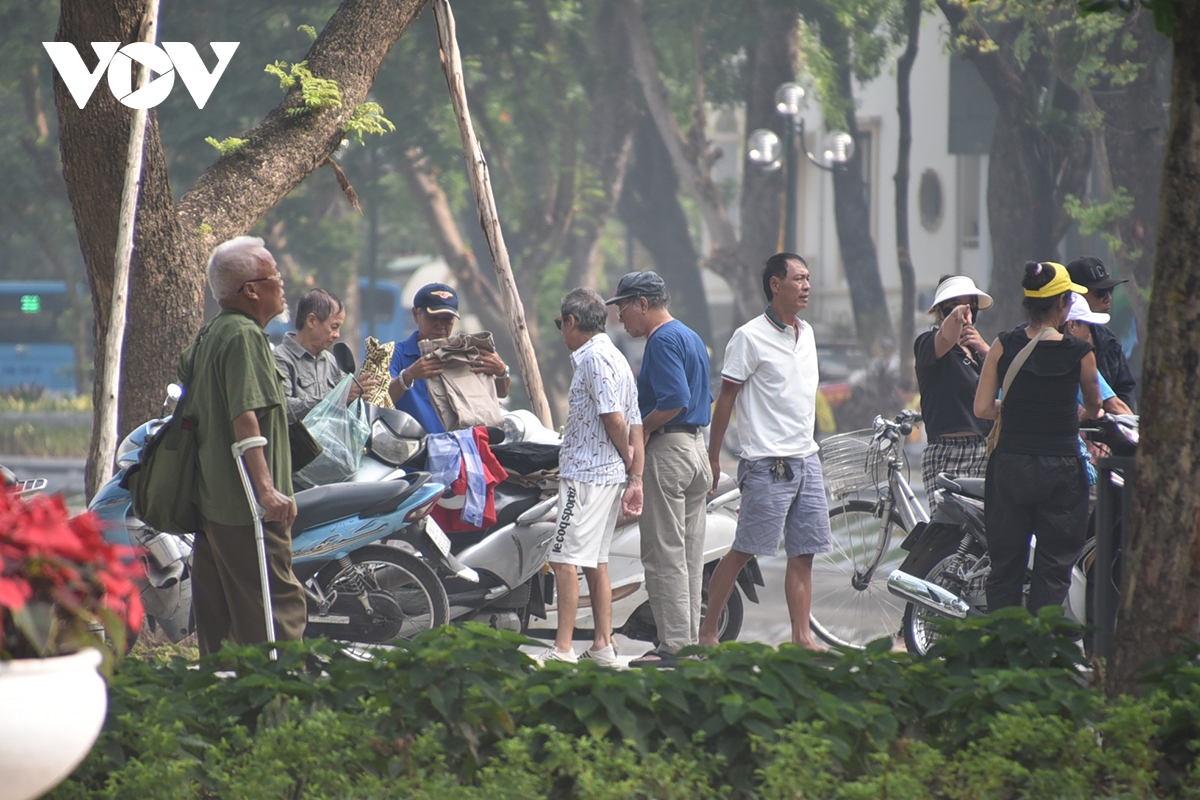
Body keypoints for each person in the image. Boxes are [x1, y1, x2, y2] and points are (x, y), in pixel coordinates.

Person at [181, 236, 307, 656]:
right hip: (247, 506)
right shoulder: (244, 336)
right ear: (251, 289)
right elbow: (245, 418)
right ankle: (280, 710)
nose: (282, 283)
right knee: (274, 613)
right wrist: (267, 490)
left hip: (216, 502)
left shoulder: (210, 334)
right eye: (274, 275)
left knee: (222, 621)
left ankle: (222, 708)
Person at [700, 253, 832, 651]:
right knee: (743, 550)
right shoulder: (749, 336)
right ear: (776, 284)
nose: (806, 285)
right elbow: (725, 400)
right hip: (766, 464)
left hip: (807, 459)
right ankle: (707, 631)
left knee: (805, 552)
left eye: (809, 278)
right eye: (798, 278)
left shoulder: (806, 333)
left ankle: (801, 637)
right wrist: (713, 456)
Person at [974, 261, 1104, 614]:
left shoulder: (1002, 345)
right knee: (1053, 569)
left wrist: (1012, 408)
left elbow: (983, 407)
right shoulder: (1081, 353)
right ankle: (1043, 650)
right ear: (1063, 304)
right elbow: (1094, 407)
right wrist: (1078, 415)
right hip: (1062, 471)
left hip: (1010, 468)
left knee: (1005, 568)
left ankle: (1004, 652)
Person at [607, 271, 712, 666]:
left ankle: (673, 647)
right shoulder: (688, 335)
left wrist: (643, 430)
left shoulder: (662, 340)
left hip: (668, 450)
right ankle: (688, 645)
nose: (621, 319)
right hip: (694, 450)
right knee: (687, 556)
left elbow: (674, 399)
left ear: (643, 304)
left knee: (663, 554)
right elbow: (703, 396)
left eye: (623, 308)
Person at [541, 288, 644, 666]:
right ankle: (602, 644)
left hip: (586, 476)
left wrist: (627, 457)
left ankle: (563, 649)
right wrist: (635, 476)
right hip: (607, 478)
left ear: (571, 321)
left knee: (565, 560)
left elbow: (615, 419)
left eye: (560, 323)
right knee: (594, 562)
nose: (561, 332)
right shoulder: (616, 357)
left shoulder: (594, 359)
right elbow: (635, 423)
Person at [914, 275, 994, 511]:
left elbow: (1006, 377)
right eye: (955, 307)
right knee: (951, 533)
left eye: (971, 308)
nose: (966, 316)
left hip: (982, 451)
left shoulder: (977, 351)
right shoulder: (928, 345)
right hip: (947, 453)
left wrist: (984, 349)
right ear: (940, 312)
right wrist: (955, 316)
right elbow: (945, 337)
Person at [386, 283, 510, 433]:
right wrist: (409, 375)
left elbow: (500, 392)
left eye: (447, 319)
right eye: (433, 318)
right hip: (415, 450)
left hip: (463, 445)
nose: (440, 325)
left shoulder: (465, 352)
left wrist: (502, 371)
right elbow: (382, 399)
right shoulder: (395, 353)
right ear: (415, 315)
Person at [274, 288, 378, 423]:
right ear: (311, 321)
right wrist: (337, 397)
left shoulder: (330, 361)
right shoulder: (280, 358)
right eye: (334, 327)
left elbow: (345, 403)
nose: (337, 335)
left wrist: (356, 396)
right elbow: (283, 408)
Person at [1066, 256, 1136, 408]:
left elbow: (1124, 391)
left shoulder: (1109, 340)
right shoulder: (1048, 340)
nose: (1108, 298)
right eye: (1100, 292)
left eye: (1110, 290)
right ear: (1074, 294)